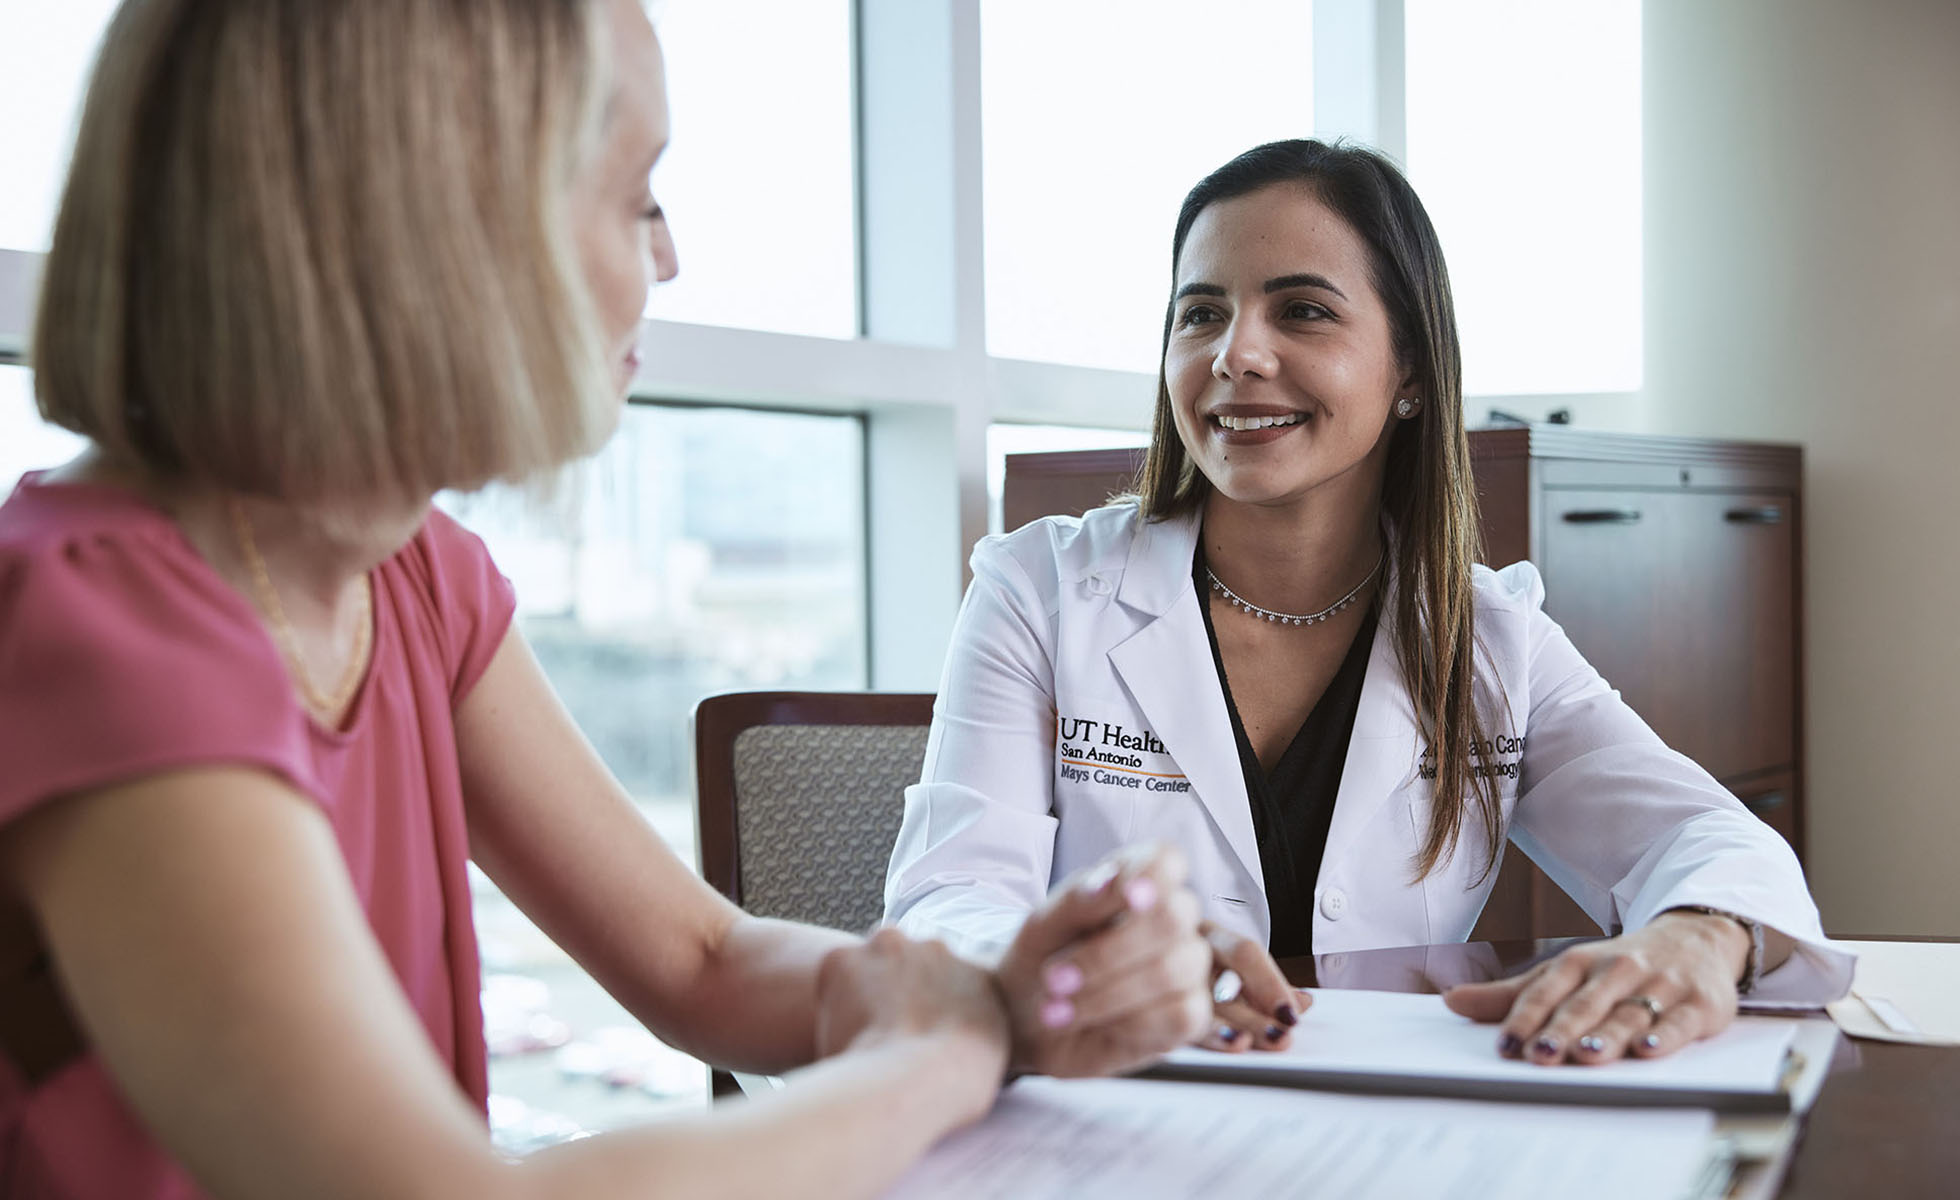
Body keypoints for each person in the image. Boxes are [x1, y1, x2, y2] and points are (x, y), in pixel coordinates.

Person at [0, 2, 1215, 1196]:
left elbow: (700, 960)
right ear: (442, 225)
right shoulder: (102, 632)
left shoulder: (415, 577)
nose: (668, 255)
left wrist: (994, 997)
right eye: (639, 199)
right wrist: (937, 1058)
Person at [885, 138, 1853, 1065]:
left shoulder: (1490, 639)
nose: (1235, 354)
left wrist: (1703, 934)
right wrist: (1090, 970)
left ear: (1411, 375)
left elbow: (1699, 834)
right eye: (1201, 314)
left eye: (1302, 311)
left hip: (1386, 1127)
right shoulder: (1040, 592)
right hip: (1116, 1107)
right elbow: (950, 900)